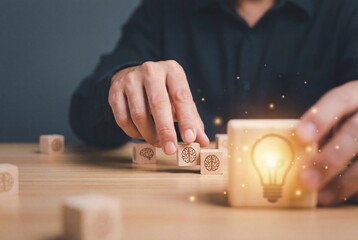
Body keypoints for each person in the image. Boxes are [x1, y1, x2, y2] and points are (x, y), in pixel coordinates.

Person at [70, 0, 358, 206]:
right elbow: (84, 115)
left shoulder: (346, 12)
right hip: (181, 213)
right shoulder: (162, 11)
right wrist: (122, 83)